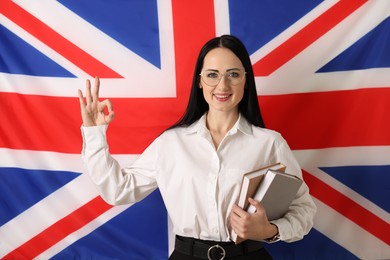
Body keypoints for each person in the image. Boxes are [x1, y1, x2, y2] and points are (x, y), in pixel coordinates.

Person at [78, 35, 316, 260]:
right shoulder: (171, 143)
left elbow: (303, 210)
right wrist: (94, 133)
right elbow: (118, 190)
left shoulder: (270, 143)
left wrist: (268, 230)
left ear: (246, 80)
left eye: (233, 74)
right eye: (212, 74)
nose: (222, 85)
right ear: (200, 81)